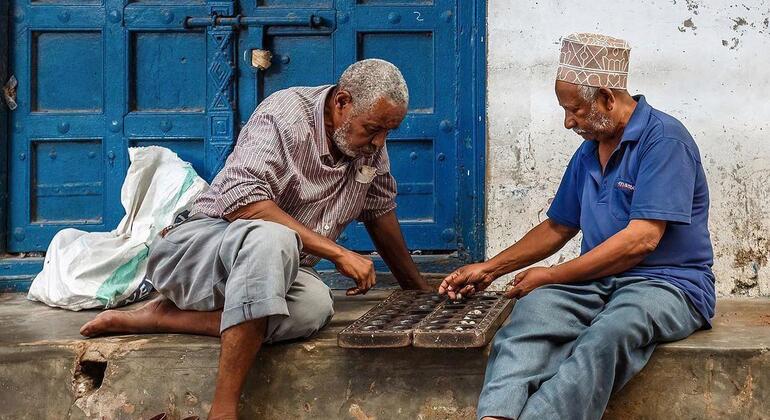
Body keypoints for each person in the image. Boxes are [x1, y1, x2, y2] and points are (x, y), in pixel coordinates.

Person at [81, 59, 431, 419]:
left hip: (270, 270)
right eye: (373, 129)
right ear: (342, 103)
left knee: (314, 306)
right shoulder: (286, 115)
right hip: (197, 250)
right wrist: (337, 253)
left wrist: (418, 289)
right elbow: (242, 200)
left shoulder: (368, 143)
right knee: (272, 238)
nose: (379, 142)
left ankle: (159, 317)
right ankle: (223, 409)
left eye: (389, 132)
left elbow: (378, 211)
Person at [440, 33, 714, 420]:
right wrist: (491, 268)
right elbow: (558, 227)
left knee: (609, 335)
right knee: (532, 315)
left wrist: (552, 275)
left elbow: (641, 241)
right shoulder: (589, 149)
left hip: (668, 284)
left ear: (606, 97)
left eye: (576, 110)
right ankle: (495, 416)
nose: (568, 122)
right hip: (599, 280)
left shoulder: (665, 140)